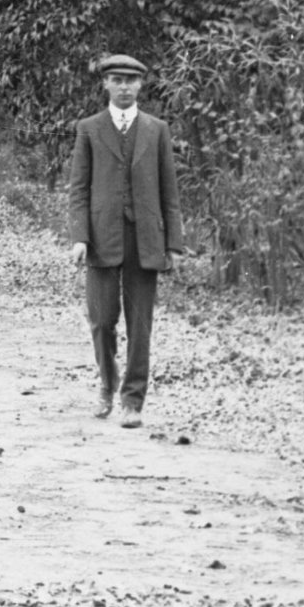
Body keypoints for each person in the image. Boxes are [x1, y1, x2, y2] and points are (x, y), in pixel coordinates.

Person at [66, 53, 184, 426]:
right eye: (117, 80)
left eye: (131, 80)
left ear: (140, 85)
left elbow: (169, 191)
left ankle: (133, 401)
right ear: (105, 84)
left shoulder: (156, 129)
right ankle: (107, 383)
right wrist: (79, 236)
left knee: (140, 325)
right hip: (101, 238)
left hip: (145, 238)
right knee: (102, 321)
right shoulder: (89, 128)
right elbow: (78, 189)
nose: (124, 87)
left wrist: (174, 243)